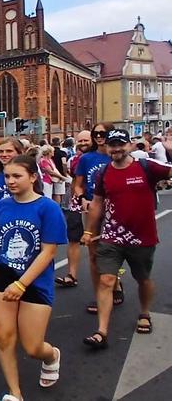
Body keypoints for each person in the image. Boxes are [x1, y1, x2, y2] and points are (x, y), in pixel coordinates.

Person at [0, 155, 67, 401]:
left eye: (17, 176)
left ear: (33, 177)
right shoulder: (2, 206)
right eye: (7, 176)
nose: (11, 181)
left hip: (35, 280)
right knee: (5, 337)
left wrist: (22, 283)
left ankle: (51, 356)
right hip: (4, 274)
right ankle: (14, 392)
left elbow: (49, 251)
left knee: (32, 347)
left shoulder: (48, 208)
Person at [81, 129, 172, 348]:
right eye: (112, 145)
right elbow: (97, 203)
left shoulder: (146, 166)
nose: (116, 149)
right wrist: (89, 231)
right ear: (107, 147)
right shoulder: (103, 173)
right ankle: (101, 331)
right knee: (106, 280)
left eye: (120, 144)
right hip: (112, 236)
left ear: (130, 145)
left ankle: (145, 312)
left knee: (143, 279)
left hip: (142, 237)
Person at [74, 122, 120, 314]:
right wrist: (82, 198)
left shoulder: (117, 156)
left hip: (117, 212)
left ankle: (115, 284)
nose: (100, 136)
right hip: (93, 210)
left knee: (114, 253)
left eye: (104, 133)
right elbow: (78, 185)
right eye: (96, 133)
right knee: (94, 255)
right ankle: (99, 295)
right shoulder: (86, 159)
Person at [56, 130, 92, 288]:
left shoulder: (102, 157)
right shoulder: (74, 159)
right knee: (73, 239)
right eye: (80, 140)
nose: (83, 143)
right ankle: (72, 275)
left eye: (86, 140)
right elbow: (74, 181)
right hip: (76, 204)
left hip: (97, 204)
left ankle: (113, 281)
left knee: (99, 244)